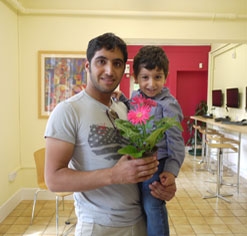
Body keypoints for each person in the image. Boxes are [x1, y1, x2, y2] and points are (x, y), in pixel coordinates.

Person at [44, 33, 176, 236]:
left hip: (140, 222)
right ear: (87, 66)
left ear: (124, 70)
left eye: (117, 63)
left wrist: (163, 187)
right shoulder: (68, 111)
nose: (109, 70)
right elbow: (53, 180)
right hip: (99, 227)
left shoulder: (125, 110)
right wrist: (114, 175)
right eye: (101, 61)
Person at [119, 46, 185, 236]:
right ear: (136, 78)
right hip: (139, 161)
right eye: (145, 77)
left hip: (158, 163)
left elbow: (176, 143)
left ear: (165, 77)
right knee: (140, 207)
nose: (151, 84)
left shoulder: (168, 104)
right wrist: (120, 99)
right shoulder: (135, 97)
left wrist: (171, 171)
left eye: (158, 77)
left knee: (153, 206)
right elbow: (130, 109)